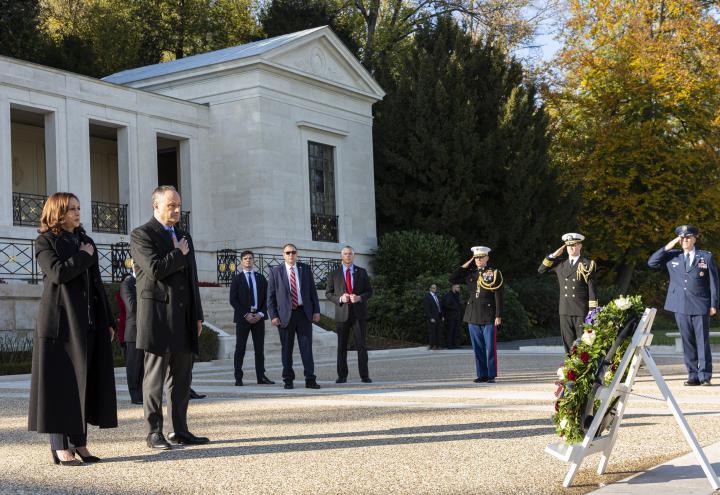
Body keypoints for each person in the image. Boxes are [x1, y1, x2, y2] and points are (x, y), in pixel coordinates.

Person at [28, 192, 117, 466]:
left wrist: (108, 321)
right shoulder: (46, 241)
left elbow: (97, 286)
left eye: (79, 208)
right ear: (58, 213)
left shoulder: (85, 241)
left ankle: (80, 443)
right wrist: (82, 256)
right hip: (59, 326)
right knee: (60, 386)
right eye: (72, 209)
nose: (78, 213)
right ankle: (60, 447)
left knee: (83, 383)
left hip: (87, 324)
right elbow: (57, 274)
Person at [130, 185, 208, 449]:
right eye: (170, 205)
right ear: (156, 206)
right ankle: (154, 432)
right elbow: (154, 269)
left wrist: (198, 315)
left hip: (184, 317)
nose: (176, 210)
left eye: (178, 205)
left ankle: (180, 430)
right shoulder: (142, 235)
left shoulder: (184, 235)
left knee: (182, 379)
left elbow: (191, 278)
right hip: (158, 318)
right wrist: (178, 253)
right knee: (154, 379)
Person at [648, 225, 718, 386]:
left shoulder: (705, 257)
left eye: (688, 237)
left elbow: (714, 282)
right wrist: (669, 245)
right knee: (687, 341)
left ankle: (705, 375)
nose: (685, 240)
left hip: (701, 304)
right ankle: (692, 375)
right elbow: (652, 262)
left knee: (702, 341)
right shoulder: (673, 255)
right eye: (682, 238)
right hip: (680, 304)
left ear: (695, 239)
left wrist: (713, 304)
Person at [267, 243, 322, 390]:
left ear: (297, 254)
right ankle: (288, 380)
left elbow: (312, 292)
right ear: (283, 255)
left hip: (303, 314)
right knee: (287, 349)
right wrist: (273, 315)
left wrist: (316, 310)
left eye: (293, 252)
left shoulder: (305, 269)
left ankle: (310, 379)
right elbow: (270, 297)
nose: (291, 255)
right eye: (288, 253)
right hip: (285, 316)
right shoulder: (275, 271)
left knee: (306, 348)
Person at [450, 246, 504, 383]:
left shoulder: (494, 273)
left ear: (487, 258)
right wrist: (468, 262)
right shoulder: (470, 273)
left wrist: (498, 315)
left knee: (490, 348)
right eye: (476, 257)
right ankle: (482, 374)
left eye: (481, 257)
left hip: (489, 315)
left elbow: (499, 295)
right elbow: (453, 278)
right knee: (477, 347)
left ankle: (491, 374)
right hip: (472, 315)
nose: (478, 260)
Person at [538, 233, 598, 354]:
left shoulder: (587, 264)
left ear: (580, 246)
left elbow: (592, 289)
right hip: (564, 309)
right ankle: (571, 369)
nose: (571, 248)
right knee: (568, 344)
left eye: (574, 245)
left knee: (583, 343)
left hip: (581, 310)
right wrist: (554, 255)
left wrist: (592, 311)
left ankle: (583, 369)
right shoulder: (560, 264)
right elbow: (541, 270)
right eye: (568, 246)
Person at [325, 246, 374, 384]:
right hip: (342, 314)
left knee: (361, 346)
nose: (347, 256)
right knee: (341, 346)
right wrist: (340, 298)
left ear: (354, 256)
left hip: (359, 314)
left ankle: (364, 375)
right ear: (342, 256)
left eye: (350, 254)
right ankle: (342, 376)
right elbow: (328, 294)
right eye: (345, 254)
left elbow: (369, 291)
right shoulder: (333, 274)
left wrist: (359, 298)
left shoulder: (362, 272)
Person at [229, 250, 274, 386]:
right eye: (245, 258)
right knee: (240, 348)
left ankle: (261, 377)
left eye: (250, 258)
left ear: (253, 260)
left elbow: (268, 298)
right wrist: (246, 314)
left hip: (258, 318)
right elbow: (233, 300)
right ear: (241, 261)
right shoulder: (236, 279)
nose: (248, 260)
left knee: (259, 349)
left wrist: (260, 314)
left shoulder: (260, 278)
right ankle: (238, 377)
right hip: (243, 318)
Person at [120, 266, 144, 404]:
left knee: (144, 366)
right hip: (134, 331)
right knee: (134, 366)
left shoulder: (146, 280)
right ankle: (135, 395)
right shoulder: (127, 283)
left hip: (146, 330)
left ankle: (143, 394)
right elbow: (132, 306)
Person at [442, 284, 462, 349]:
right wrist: (455, 308)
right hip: (450, 317)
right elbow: (446, 305)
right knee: (450, 331)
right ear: (453, 288)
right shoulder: (448, 295)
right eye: (458, 287)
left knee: (456, 330)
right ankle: (449, 345)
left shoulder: (457, 295)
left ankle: (456, 344)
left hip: (456, 316)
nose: (459, 288)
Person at [423, 284, 442, 350]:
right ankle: (432, 345)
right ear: (430, 289)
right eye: (433, 288)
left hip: (438, 316)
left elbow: (440, 307)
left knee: (438, 332)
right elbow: (427, 308)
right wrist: (430, 317)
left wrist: (442, 316)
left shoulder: (437, 296)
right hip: (432, 317)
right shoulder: (427, 297)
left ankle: (438, 345)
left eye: (435, 288)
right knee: (432, 332)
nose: (435, 289)